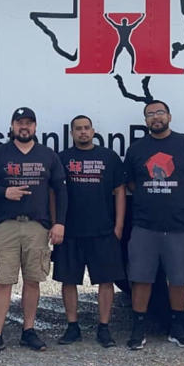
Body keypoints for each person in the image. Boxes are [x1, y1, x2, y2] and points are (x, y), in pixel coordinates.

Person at [0, 107, 67, 355]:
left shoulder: (47, 155)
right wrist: (4, 192)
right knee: (3, 281)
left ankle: (28, 331)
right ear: (12, 125)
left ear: (35, 127)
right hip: (6, 225)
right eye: (19, 123)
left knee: (33, 280)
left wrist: (59, 222)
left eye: (29, 123)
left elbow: (61, 190)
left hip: (37, 226)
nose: (24, 127)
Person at [123, 100, 184, 350]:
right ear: (146, 120)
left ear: (169, 116)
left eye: (160, 113)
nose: (155, 118)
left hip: (179, 225)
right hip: (144, 225)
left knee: (178, 279)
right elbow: (130, 183)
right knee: (141, 278)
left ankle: (177, 327)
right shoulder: (137, 149)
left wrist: (183, 198)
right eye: (150, 114)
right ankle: (139, 328)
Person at [55, 115, 126, 348]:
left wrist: (118, 226)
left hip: (103, 230)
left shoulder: (109, 157)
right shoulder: (62, 159)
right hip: (71, 231)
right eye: (78, 129)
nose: (83, 132)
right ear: (72, 133)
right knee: (68, 280)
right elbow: (53, 194)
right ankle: (72, 326)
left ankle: (104, 328)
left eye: (86, 128)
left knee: (106, 281)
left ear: (93, 131)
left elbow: (120, 191)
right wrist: (57, 223)